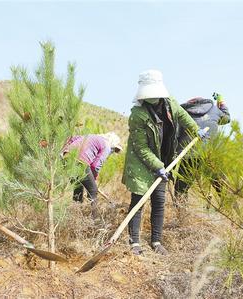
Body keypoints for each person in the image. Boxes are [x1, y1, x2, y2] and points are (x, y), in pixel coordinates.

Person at [122, 70, 205, 256]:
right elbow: (141, 148)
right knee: (139, 201)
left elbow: (184, 117)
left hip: (165, 160)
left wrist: (195, 130)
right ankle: (134, 242)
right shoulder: (138, 114)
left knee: (159, 201)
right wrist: (156, 165)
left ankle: (156, 241)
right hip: (141, 163)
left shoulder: (170, 103)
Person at [174, 93, 231, 206]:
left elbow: (175, 136)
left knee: (180, 191)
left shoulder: (181, 112)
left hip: (189, 155)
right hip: (211, 154)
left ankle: (181, 218)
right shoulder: (214, 109)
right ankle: (235, 218)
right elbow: (226, 119)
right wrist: (222, 103)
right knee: (224, 189)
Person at [62, 132, 123, 218]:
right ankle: (95, 220)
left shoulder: (91, 136)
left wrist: (63, 154)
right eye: (114, 149)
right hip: (80, 162)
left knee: (78, 187)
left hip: (67, 159)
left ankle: (75, 216)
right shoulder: (107, 145)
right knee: (93, 191)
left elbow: (72, 139)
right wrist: (93, 178)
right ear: (112, 143)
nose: (113, 151)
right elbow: (96, 165)